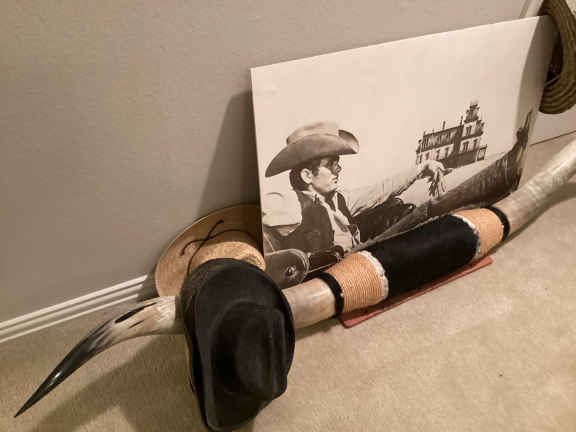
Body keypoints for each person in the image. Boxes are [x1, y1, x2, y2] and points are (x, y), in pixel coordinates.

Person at [265, 121, 447, 255]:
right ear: (307, 176)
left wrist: (422, 168)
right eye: (330, 165)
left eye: (337, 163)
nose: (338, 169)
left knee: (403, 211)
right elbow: (263, 222)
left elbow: (382, 189)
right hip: (336, 276)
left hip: (360, 261)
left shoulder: (340, 199)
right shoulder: (292, 204)